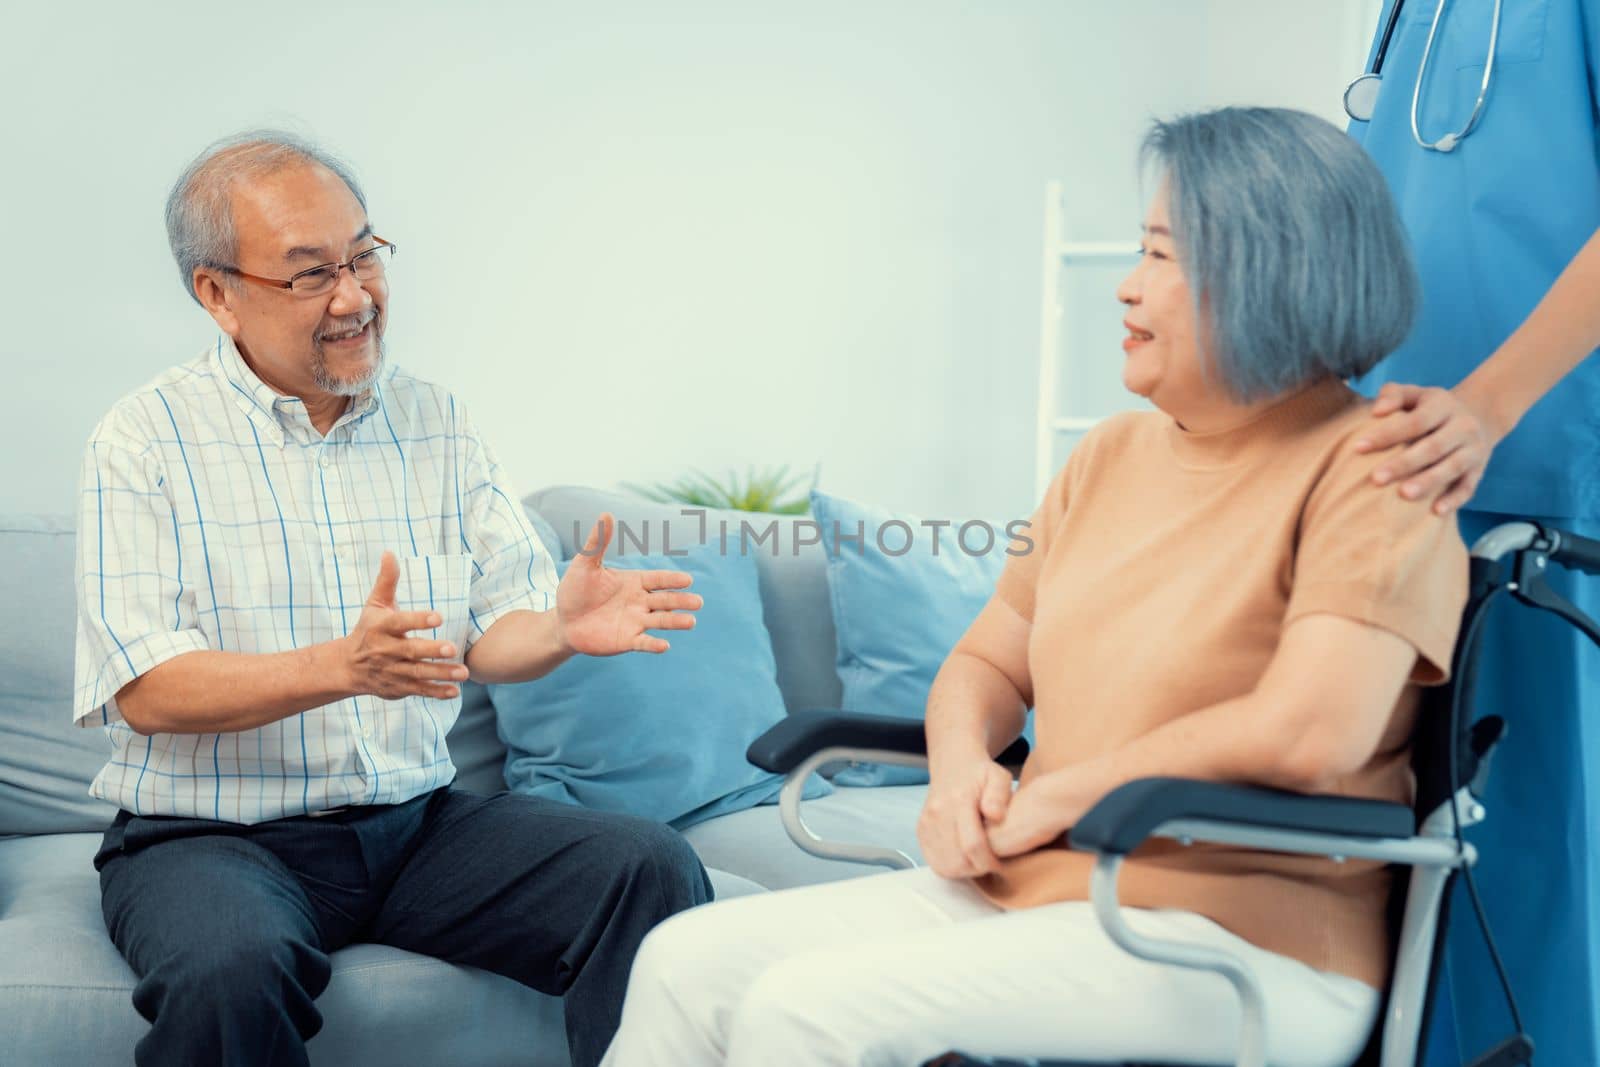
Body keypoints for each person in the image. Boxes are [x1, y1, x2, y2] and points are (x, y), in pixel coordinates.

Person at [597, 106, 1467, 1067]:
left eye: (1160, 257)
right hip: (1038, 893)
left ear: (1267, 269)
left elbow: (1314, 730)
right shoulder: (1110, 455)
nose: (1127, 290)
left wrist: (1061, 797)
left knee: (804, 1012)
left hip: (1246, 940)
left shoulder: (1378, 472)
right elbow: (986, 655)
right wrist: (962, 767)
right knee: (684, 959)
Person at [73, 131, 712, 1067]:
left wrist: (562, 631)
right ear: (217, 294)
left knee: (646, 867)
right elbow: (145, 687)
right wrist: (339, 668)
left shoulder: (436, 420)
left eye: (365, 254)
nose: (355, 295)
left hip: (417, 826)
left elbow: (498, 631)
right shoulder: (142, 439)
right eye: (309, 274)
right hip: (209, 836)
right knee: (230, 967)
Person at [1345, 2, 1600, 1061]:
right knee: (1386, 879)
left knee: (1537, 882)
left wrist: (1489, 408)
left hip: (1540, 486)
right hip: (1388, 486)